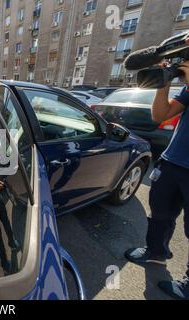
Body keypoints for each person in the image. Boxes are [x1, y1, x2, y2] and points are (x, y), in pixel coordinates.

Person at [125, 60, 189, 300]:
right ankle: (155, 253)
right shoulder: (186, 89)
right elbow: (159, 114)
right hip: (172, 163)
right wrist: (164, 83)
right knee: (160, 213)